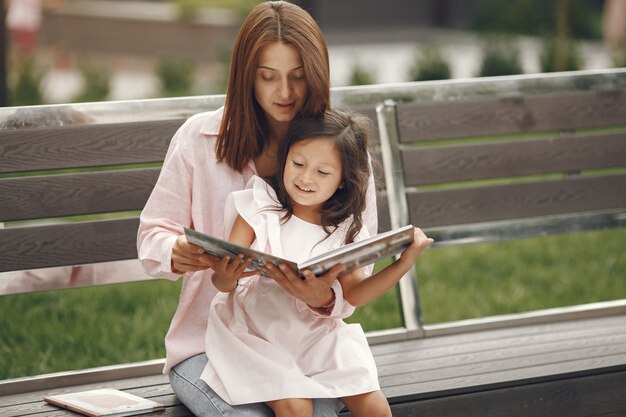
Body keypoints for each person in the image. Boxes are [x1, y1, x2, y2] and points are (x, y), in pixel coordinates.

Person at [137, 2, 378, 416]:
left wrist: (325, 297)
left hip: (305, 346)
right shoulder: (200, 138)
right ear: (246, 76)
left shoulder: (341, 152)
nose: (284, 93)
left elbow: (359, 260)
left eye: (298, 78)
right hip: (208, 347)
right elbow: (151, 235)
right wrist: (175, 251)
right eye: (268, 77)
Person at [200, 110, 434, 417]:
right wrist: (225, 276)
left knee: (371, 400)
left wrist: (403, 263)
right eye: (298, 164)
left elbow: (354, 295)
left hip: (315, 333)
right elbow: (223, 283)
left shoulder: (344, 229)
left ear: (341, 181)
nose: (306, 178)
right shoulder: (259, 206)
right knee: (296, 405)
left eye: (323, 173)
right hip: (254, 333)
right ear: (284, 159)